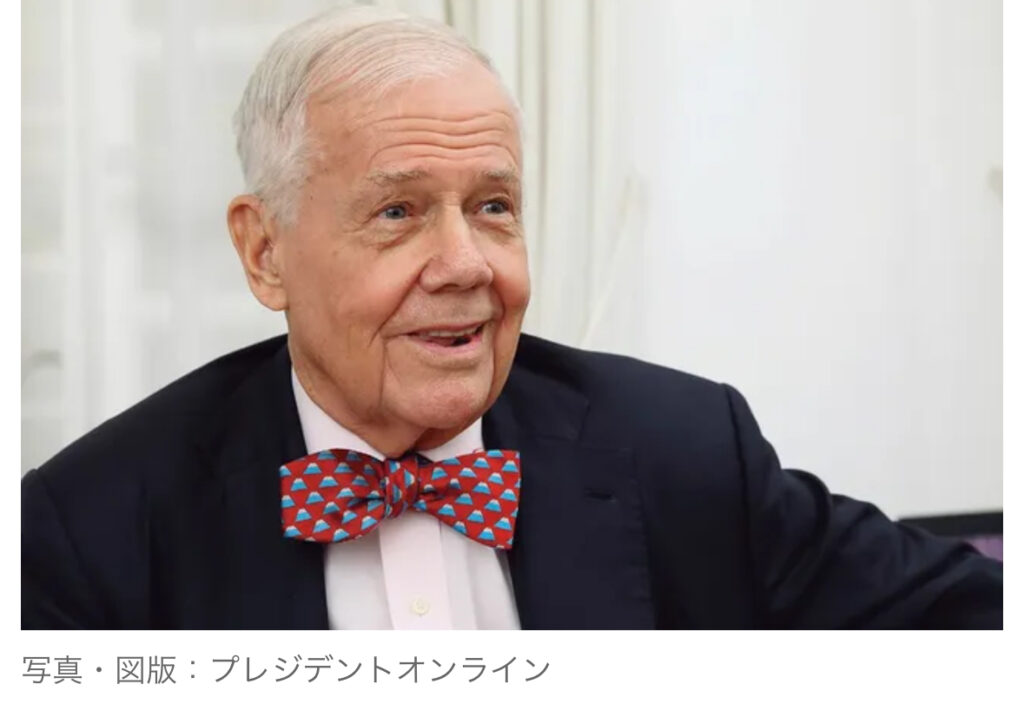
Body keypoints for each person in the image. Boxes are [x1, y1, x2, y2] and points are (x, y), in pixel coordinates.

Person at [21, 6, 1001, 630]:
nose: (465, 264)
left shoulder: (686, 450)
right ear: (265, 251)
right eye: (398, 212)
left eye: (493, 205)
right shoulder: (86, 529)